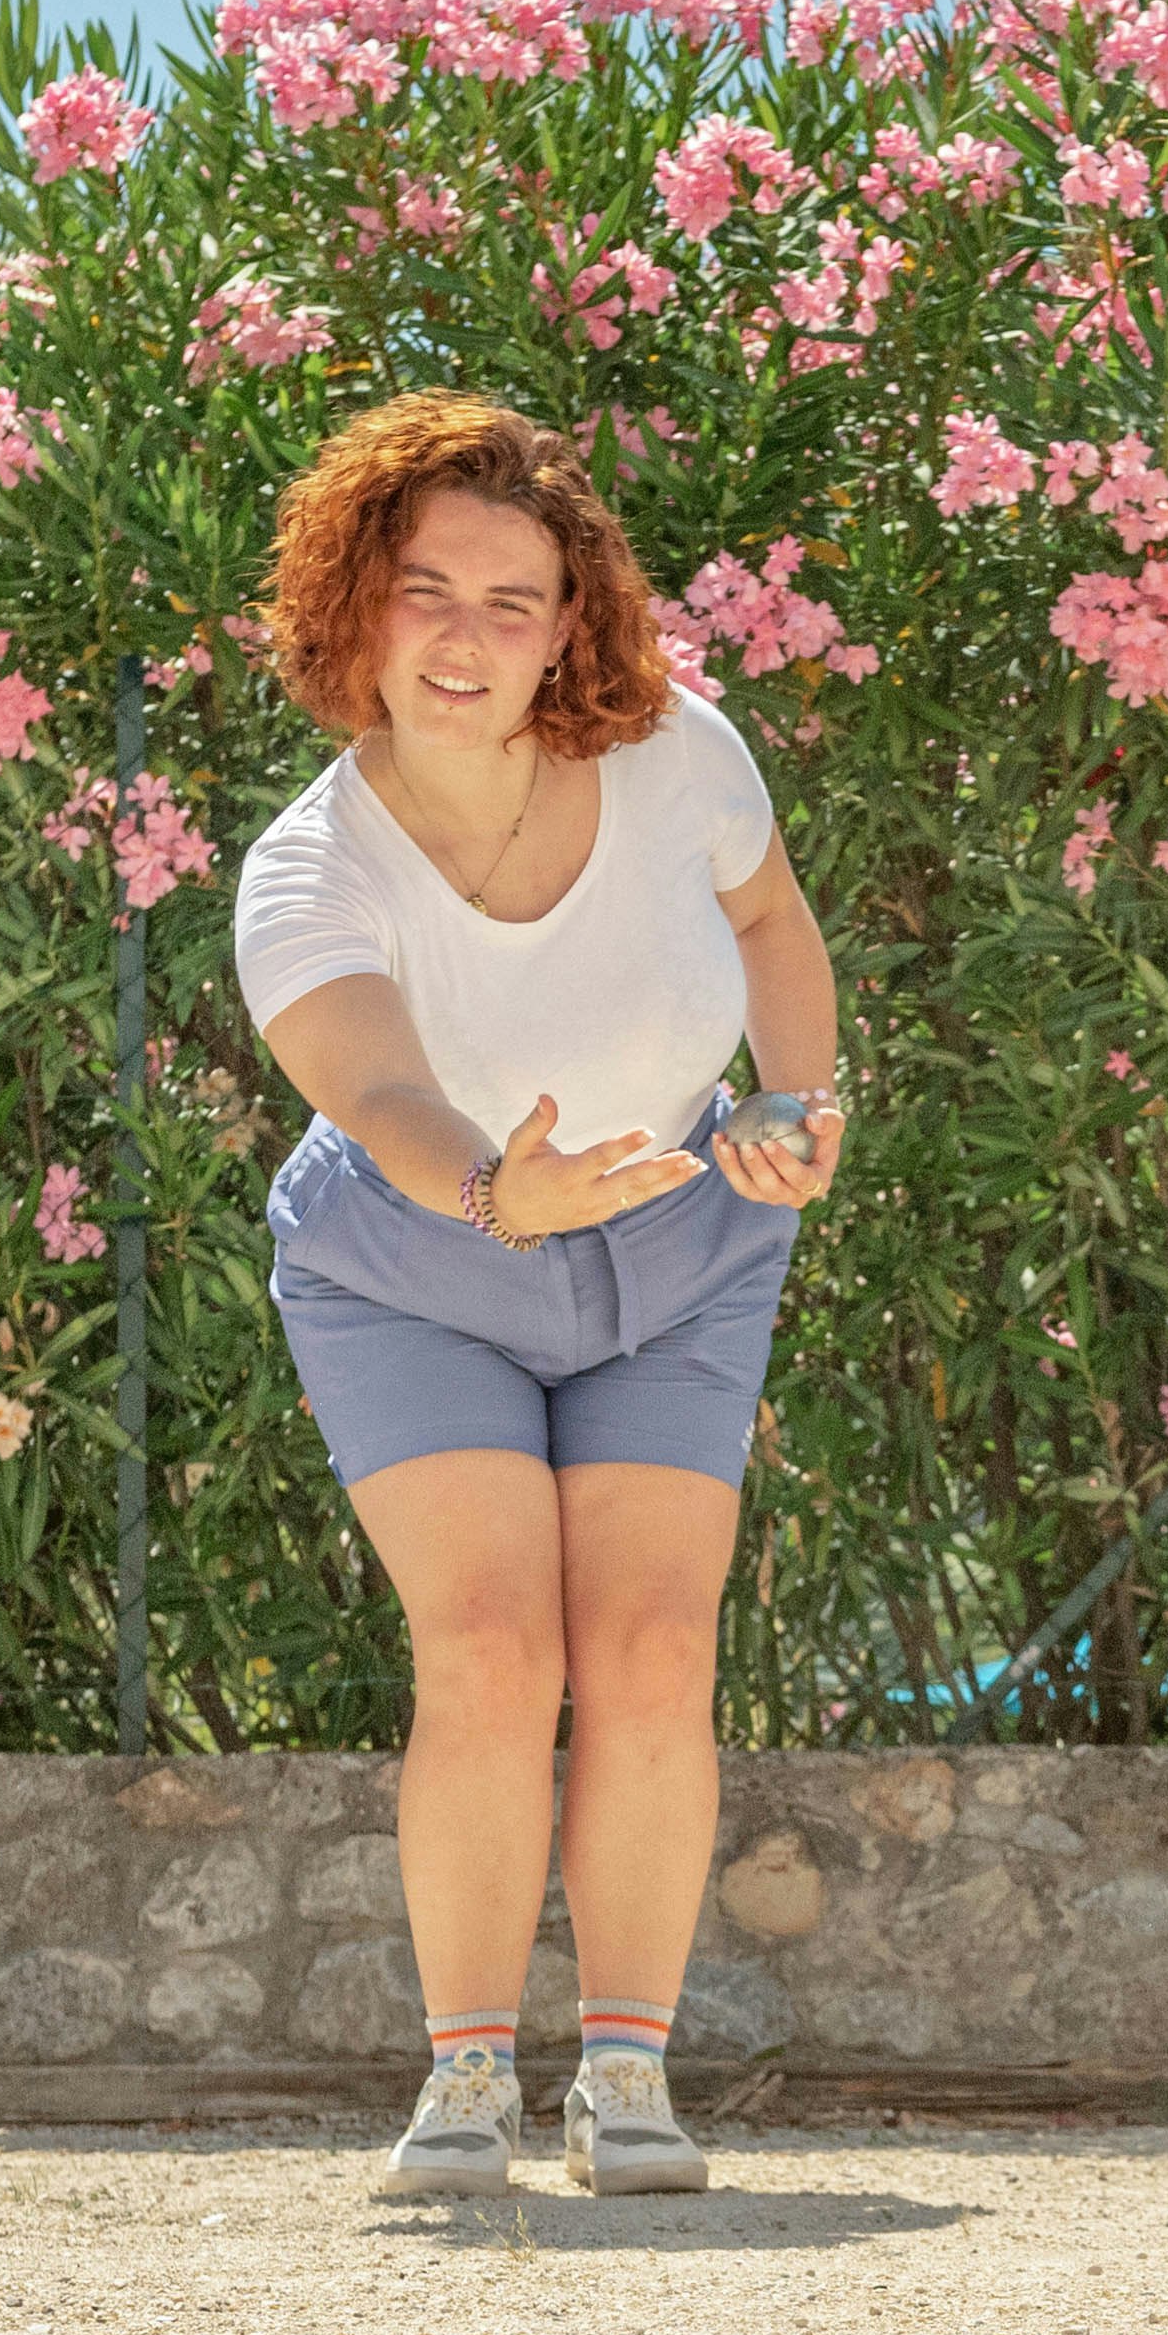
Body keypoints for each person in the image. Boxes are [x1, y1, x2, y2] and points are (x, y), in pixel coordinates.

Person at [234, 391, 850, 2199]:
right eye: (428, 589)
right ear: (357, 604)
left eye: (514, 600)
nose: (467, 636)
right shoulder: (305, 866)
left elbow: (771, 927)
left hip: (681, 1240)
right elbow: (379, 1096)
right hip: (412, 1266)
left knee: (656, 1646)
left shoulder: (681, 753)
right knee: (495, 1647)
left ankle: (634, 2078)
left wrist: (805, 1106)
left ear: (570, 621)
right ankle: (467, 2079)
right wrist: (507, 1192)